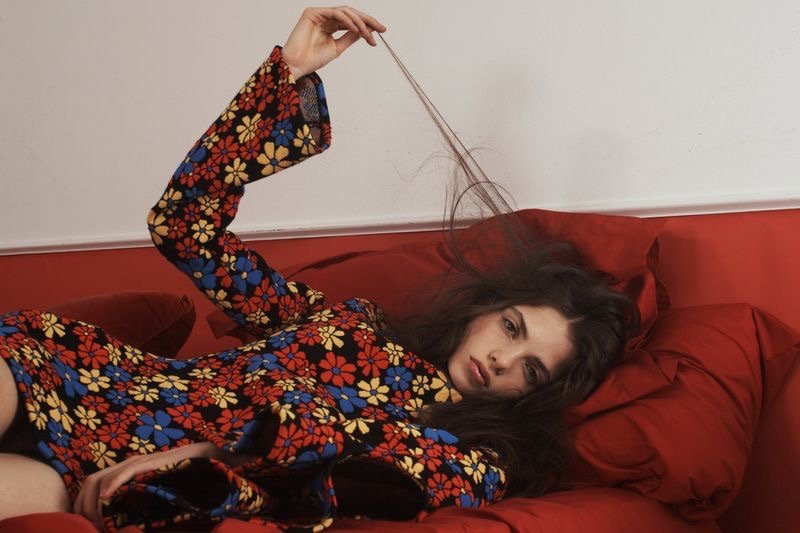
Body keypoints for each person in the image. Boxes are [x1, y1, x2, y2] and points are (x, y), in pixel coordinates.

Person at [0, 6, 638, 532]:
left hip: (141, 486)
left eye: (531, 368)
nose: (502, 359)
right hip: (88, 389)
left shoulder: (479, 459)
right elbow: (184, 226)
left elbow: (349, 466)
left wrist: (212, 453)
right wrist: (288, 72)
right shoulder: (345, 323)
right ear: (485, 309)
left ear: (538, 395)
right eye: (512, 328)